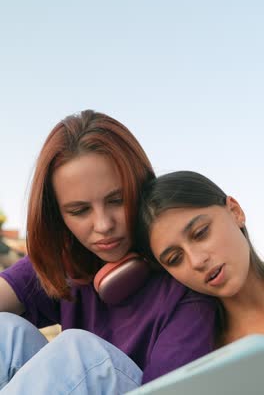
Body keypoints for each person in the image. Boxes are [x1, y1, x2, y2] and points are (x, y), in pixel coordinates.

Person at [0, 112, 216, 394]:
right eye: (79, 211)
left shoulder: (186, 284)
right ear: (58, 216)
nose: (103, 226)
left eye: (117, 200)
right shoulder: (69, 260)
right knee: (6, 332)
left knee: (79, 356)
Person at [136, 170, 264, 350]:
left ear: (235, 212)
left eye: (200, 233)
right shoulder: (200, 355)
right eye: (175, 259)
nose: (196, 261)